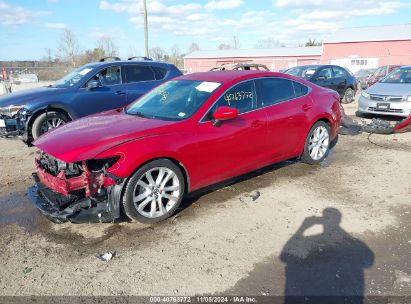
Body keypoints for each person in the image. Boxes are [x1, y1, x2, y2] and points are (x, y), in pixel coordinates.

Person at [280, 208, 374, 304]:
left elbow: (284, 256)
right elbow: (369, 260)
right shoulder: (352, 243)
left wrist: (303, 227)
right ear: (339, 220)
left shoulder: (311, 240)